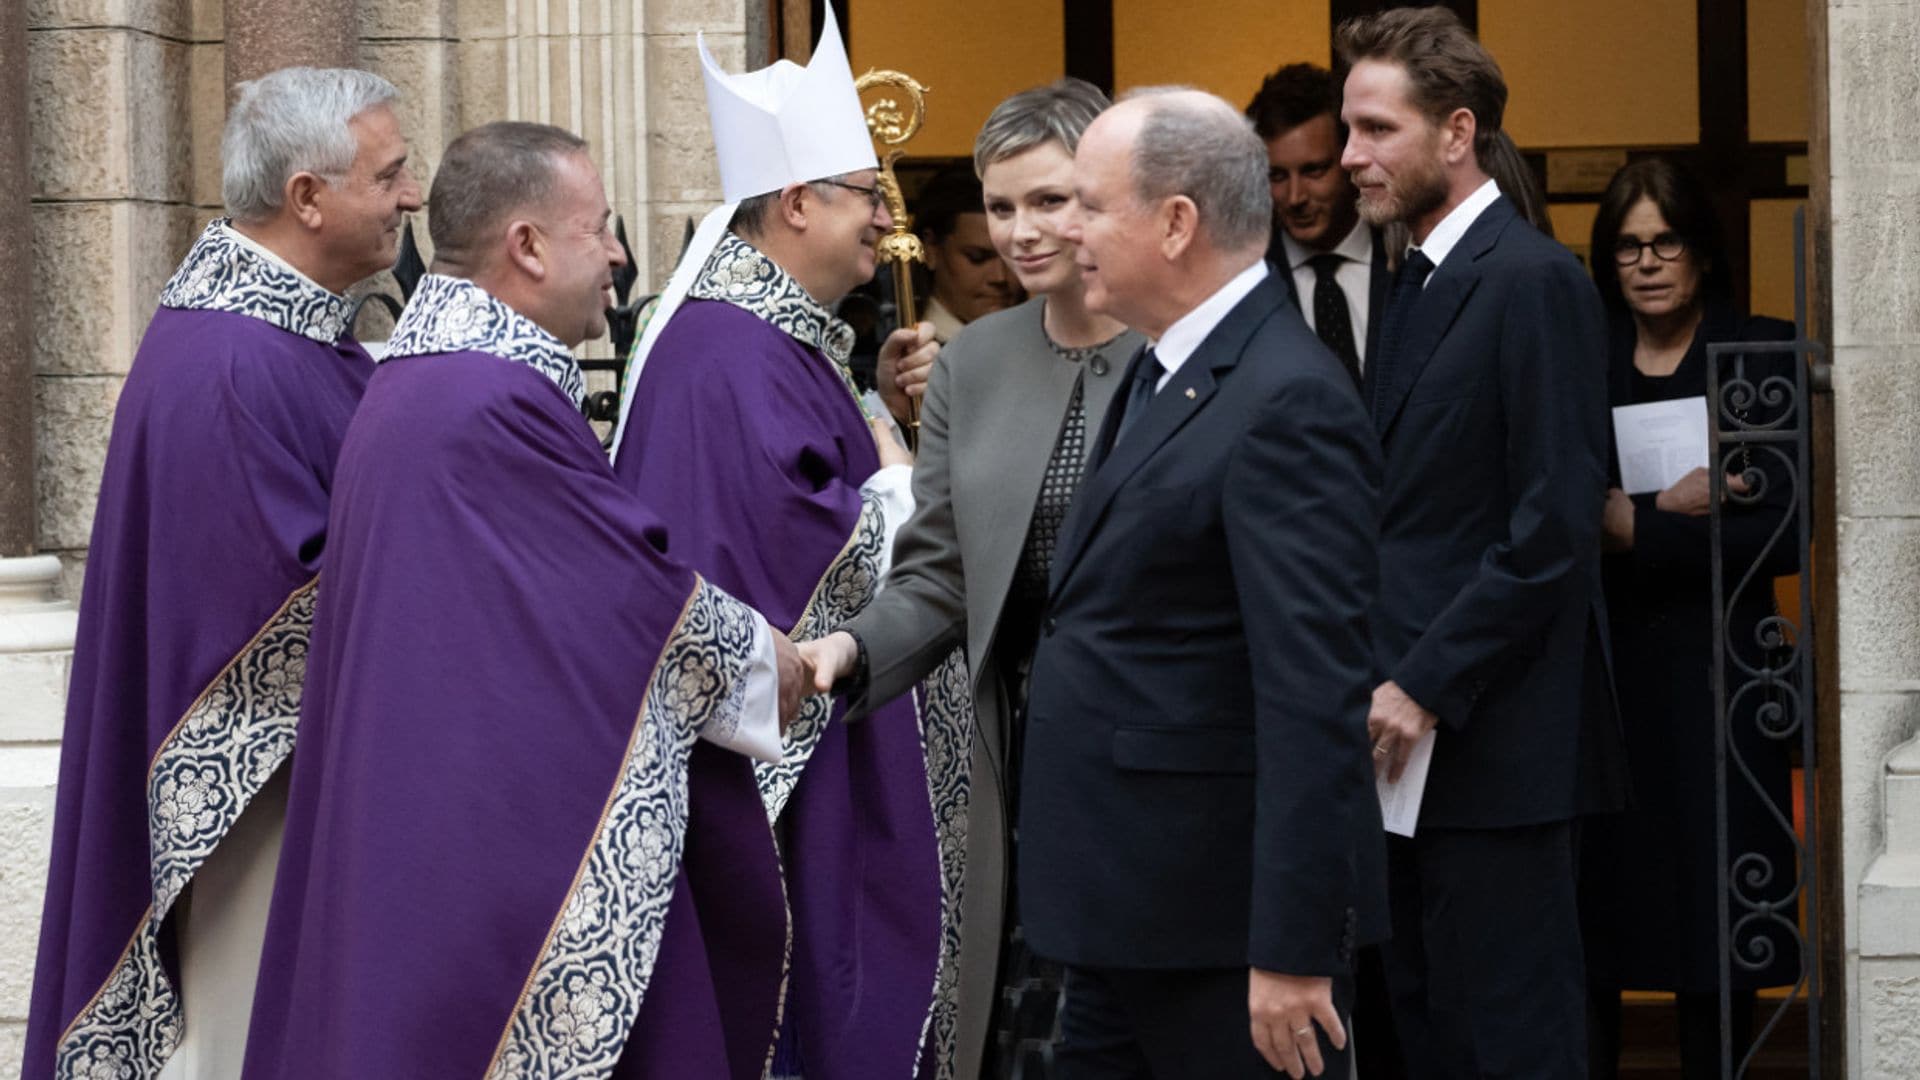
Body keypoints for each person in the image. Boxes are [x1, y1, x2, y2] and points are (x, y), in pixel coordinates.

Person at [240, 121, 810, 1078]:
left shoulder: (428, 379)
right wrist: (772, 661)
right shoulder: (485, 400)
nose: (622, 255)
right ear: (530, 246)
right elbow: (633, 599)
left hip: (435, 818)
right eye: (603, 229)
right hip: (484, 855)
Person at [22, 67, 421, 1080]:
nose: (410, 198)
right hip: (257, 810)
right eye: (391, 175)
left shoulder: (285, 337)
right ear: (307, 197)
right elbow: (271, 611)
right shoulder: (228, 365)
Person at [608, 7, 965, 1075]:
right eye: (866, 193)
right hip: (797, 767)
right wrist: (911, 481)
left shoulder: (781, 337)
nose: (886, 217)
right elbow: (791, 549)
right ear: (798, 201)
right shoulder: (728, 354)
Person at [1006, 86, 1384, 1080]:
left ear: (1176, 222)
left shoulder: (1283, 396)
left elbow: (1312, 693)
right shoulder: (1169, 365)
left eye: (1088, 204)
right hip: (1129, 907)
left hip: (1225, 939)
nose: (1063, 228)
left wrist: (1294, 950)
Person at [798, 77, 1140, 1080]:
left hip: (1170, 744)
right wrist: (851, 648)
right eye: (1001, 206)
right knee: (1037, 1029)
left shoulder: (1187, 346)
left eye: (1051, 200)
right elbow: (939, 574)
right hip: (1028, 746)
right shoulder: (972, 363)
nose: (1021, 231)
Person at [1335, 7, 1627, 1076]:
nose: (1352, 157)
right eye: (1350, 130)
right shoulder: (1415, 278)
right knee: (1428, 1032)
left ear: (1456, 134)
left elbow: (1553, 527)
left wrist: (1424, 684)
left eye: (1376, 131)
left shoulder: (1534, 280)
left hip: (1498, 749)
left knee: (1509, 1043)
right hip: (1408, 753)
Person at [1583, 157, 1800, 1079]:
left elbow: (1782, 526)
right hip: (1611, 680)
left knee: (1724, 918)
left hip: (1728, 680)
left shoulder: (1758, 353)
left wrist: (1635, 524)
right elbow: (1561, 507)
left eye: (1666, 240)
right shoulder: (1583, 365)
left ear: (1701, 253)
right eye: (1628, 246)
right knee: (1605, 916)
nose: (1648, 262)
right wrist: (1676, 511)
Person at [1246, 62, 1390, 388]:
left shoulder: (1410, 258)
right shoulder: (1244, 277)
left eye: (1314, 171)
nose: (1295, 197)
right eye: (1277, 176)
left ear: (1351, 160)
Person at [917, 163, 1020, 343]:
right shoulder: (905, 355)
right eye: (977, 258)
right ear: (930, 248)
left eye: (1014, 256)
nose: (1000, 276)